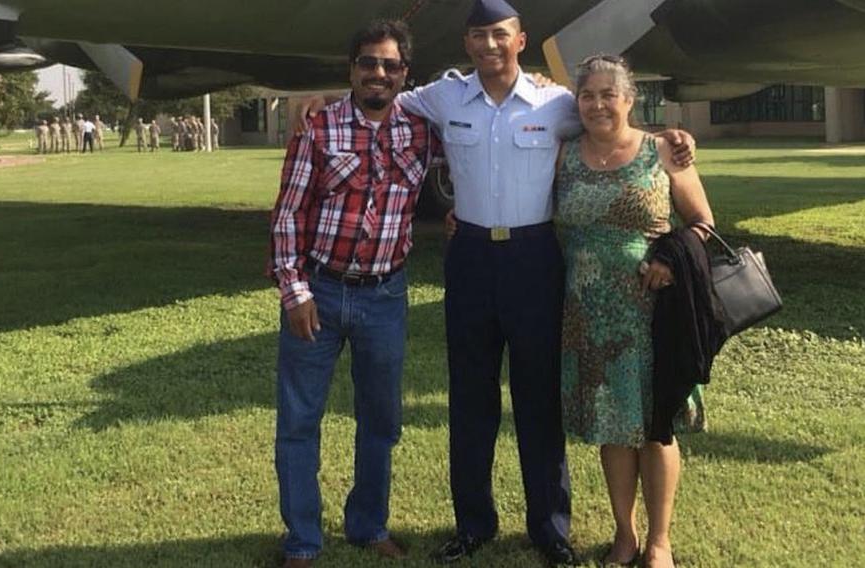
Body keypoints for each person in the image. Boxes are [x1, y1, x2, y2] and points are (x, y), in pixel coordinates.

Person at [297, 3, 694, 564]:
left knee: (539, 399)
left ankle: (550, 529)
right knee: (471, 397)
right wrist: (317, 103)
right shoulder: (442, 96)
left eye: (499, 34)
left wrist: (667, 136)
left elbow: (612, 124)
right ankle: (473, 524)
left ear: (520, 40)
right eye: (479, 35)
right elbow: (376, 100)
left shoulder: (555, 102)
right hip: (472, 258)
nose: (489, 44)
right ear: (467, 43)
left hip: (535, 258)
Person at [268, 19, 436, 568]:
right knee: (298, 421)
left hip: (384, 296)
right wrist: (295, 292)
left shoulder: (420, 129)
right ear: (352, 69)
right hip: (320, 290)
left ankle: (368, 525)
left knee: (381, 420)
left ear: (404, 75)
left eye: (390, 65)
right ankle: (302, 540)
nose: (378, 73)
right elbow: (288, 214)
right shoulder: (318, 128)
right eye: (369, 62)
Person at [554, 55, 714, 568]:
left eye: (608, 94)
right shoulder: (563, 156)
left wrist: (668, 260)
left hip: (653, 315)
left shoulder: (664, 151)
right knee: (613, 427)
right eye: (587, 95)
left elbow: (703, 222)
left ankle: (659, 541)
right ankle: (624, 535)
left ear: (629, 99)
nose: (598, 104)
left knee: (655, 426)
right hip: (588, 318)